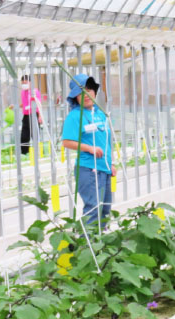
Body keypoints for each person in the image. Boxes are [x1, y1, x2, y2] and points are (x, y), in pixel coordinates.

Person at [61, 74, 115, 227]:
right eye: (81, 92)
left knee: (105, 209)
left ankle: (101, 244)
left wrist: (111, 163)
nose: (86, 95)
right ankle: (88, 245)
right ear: (75, 97)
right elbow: (67, 142)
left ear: (95, 92)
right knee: (93, 208)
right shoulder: (74, 116)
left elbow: (105, 142)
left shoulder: (99, 114)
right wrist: (89, 148)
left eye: (89, 90)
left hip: (104, 168)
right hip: (88, 168)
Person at [19, 75, 42, 156]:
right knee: (24, 135)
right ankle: (24, 153)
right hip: (25, 115)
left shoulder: (34, 92)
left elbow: (39, 104)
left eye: (26, 82)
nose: (24, 84)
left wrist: (40, 116)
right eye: (23, 83)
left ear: (30, 83)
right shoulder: (22, 92)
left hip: (33, 115)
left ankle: (38, 153)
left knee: (35, 134)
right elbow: (25, 104)